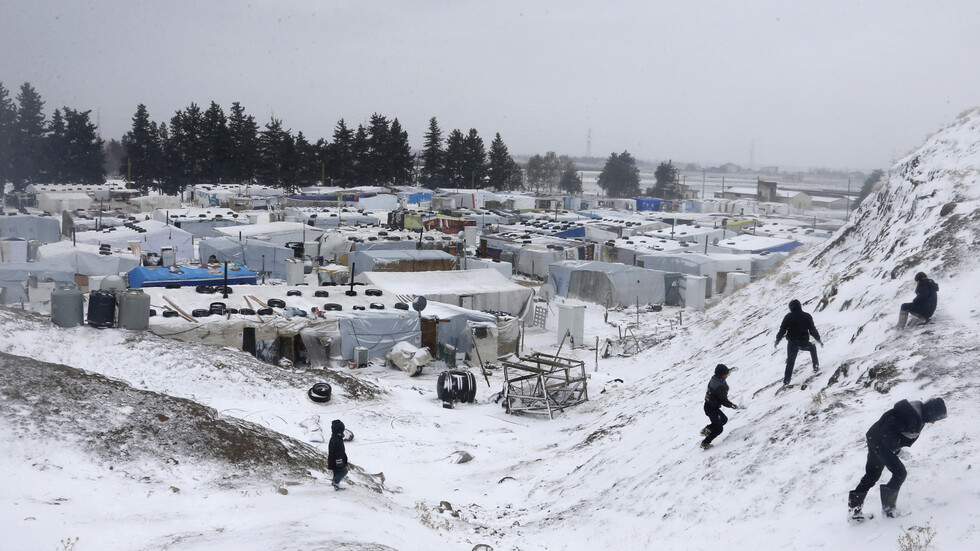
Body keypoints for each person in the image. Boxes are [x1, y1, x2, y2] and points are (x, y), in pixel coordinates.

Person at [848, 398, 947, 521]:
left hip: (875, 438)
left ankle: (854, 512)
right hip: (881, 443)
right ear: (931, 412)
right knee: (899, 473)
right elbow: (887, 432)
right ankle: (889, 511)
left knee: (872, 475)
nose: (933, 422)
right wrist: (898, 450)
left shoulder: (914, 413)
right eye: (935, 418)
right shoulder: (910, 416)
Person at [774, 299, 822, 385]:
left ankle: (786, 381)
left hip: (792, 343)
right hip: (803, 342)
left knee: (790, 361)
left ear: (791, 308)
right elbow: (812, 330)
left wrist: (777, 340)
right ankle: (815, 366)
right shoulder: (807, 316)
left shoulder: (788, 317)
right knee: (813, 348)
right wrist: (818, 339)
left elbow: (782, 330)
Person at [700, 364, 738, 450]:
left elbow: (721, 374)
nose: (727, 375)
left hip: (710, 406)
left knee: (724, 420)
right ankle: (705, 443)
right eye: (726, 374)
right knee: (719, 429)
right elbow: (723, 400)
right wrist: (732, 406)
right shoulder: (719, 387)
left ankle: (707, 429)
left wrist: (729, 370)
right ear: (721, 374)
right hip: (711, 408)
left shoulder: (715, 378)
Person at [328, 419, 349, 491]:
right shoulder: (335, 440)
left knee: (337, 472)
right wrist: (339, 461)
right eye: (341, 430)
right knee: (343, 471)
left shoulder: (337, 437)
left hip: (336, 459)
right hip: (336, 460)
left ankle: (336, 486)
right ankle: (335, 483)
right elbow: (336, 452)